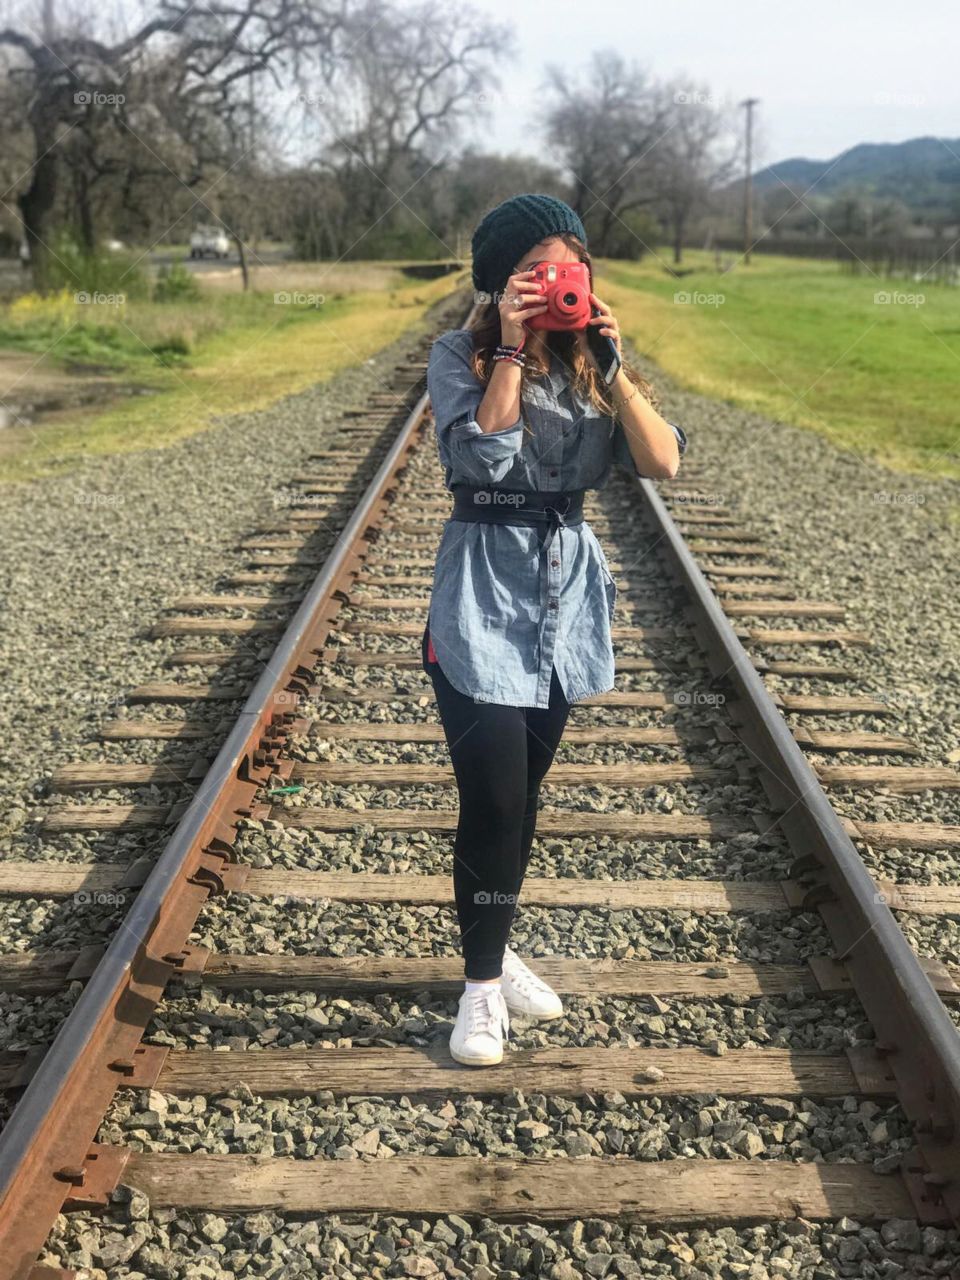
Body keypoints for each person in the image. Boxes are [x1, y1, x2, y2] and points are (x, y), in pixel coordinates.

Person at [421, 193, 687, 1066]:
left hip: (563, 598)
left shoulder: (591, 364)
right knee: (493, 798)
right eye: (534, 272)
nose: (554, 286)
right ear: (500, 282)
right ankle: (480, 992)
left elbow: (661, 461)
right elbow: (479, 450)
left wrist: (610, 362)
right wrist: (507, 349)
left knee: (523, 798)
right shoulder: (457, 356)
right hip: (480, 598)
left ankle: (495, 948)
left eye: (568, 270)